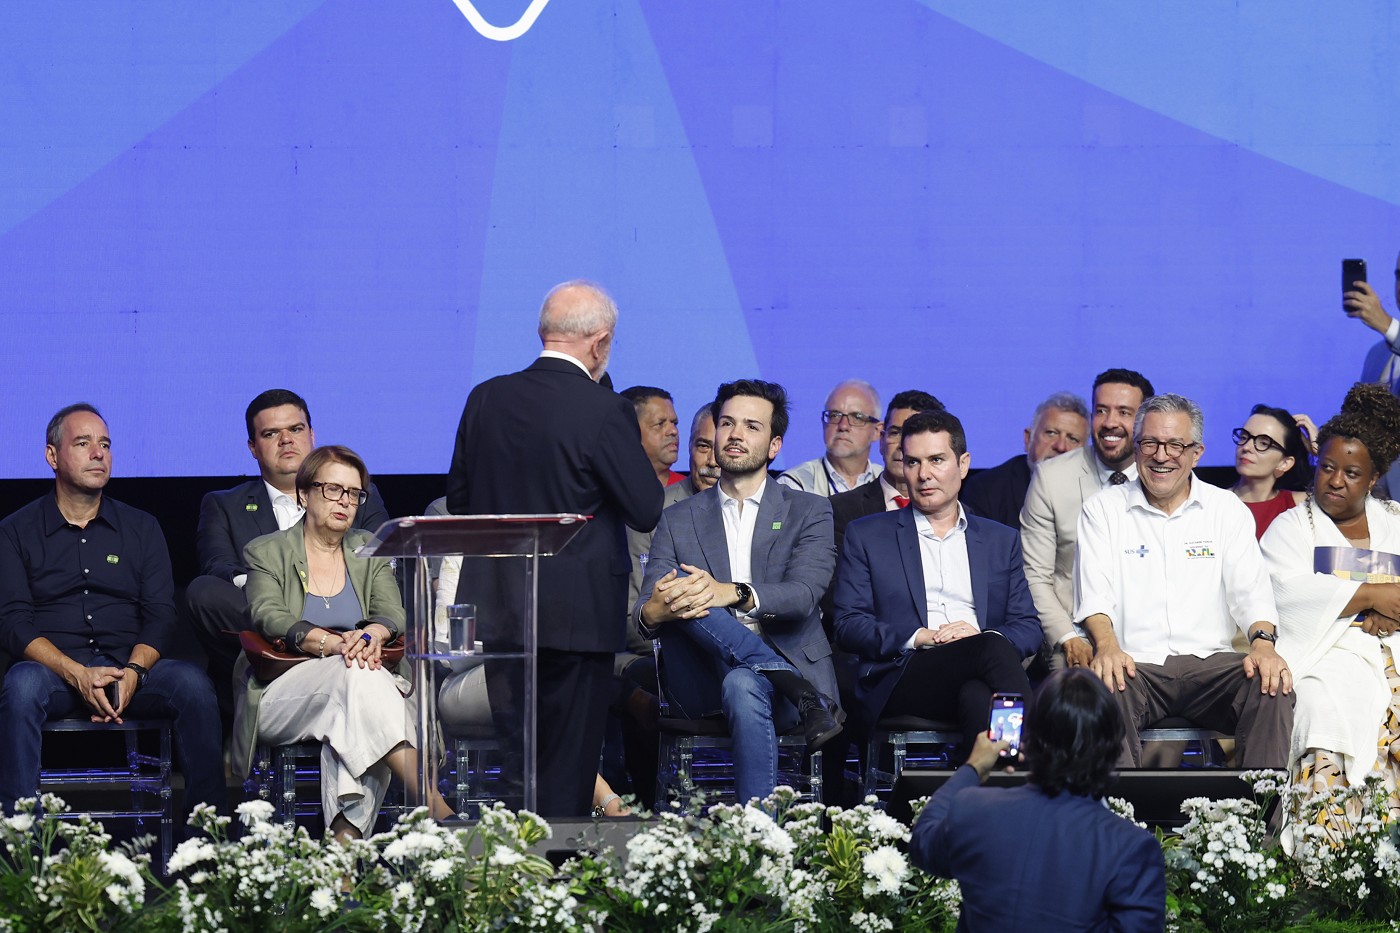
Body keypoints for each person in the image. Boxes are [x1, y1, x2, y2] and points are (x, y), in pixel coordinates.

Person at [446, 280, 662, 818]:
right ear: (600, 342)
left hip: (501, 611)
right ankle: (559, 864)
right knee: (567, 767)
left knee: (519, 761)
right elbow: (644, 507)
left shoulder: (485, 397)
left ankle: (517, 862)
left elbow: (460, 501)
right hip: (576, 618)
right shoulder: (604, 408)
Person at [0, 404, 224, 817]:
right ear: (52, 456)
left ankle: (209, 835)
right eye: (83, 443)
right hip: (55, 673)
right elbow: (13, 622)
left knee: (192, 685)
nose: (98, 453)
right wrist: (76, 673)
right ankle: (21, 841)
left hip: (130, 670)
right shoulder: (15, 530)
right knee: (21, 687)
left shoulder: (142, 527)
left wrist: (135, 671)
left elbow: (161, 614)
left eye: (104, 444)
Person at [635, 379, 842, 803]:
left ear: (774, 445)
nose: (735, 434)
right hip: (704, 676)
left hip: (789, 662)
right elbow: (645, 611)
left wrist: (730, 593)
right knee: (687, 589)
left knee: (743, 683)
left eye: (751, 426)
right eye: (727, 423)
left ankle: (756, 830)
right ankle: (795, 687)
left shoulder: (809, 511)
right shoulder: (678, 517)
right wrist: (657, 609)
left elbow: (803, 595)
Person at [234, 445, 452, 840]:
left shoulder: (368, 548)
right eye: (333, 489)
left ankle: (342, 855)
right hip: (284, 690)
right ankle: (436, 806)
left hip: (357, 685)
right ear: (304, 494)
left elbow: (393, 613)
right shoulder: (266, 550)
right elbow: (268, 614)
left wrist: (372, 634)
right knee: (357, 674)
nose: (345, 501)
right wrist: (331, 644)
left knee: (353, 707)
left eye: (354, 493)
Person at [1075, 393, 1294, 768]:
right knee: (1105, 686)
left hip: (1212, 667)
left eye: (1175, 445)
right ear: (1136, 448)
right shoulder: (1103, 509)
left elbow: (1251, 594)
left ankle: (1261, 806)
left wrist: (1263, 645)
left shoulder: (1226, 509)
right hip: (1135, 666)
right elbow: (1094, 596)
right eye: (1150, 443)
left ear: (1196, 453)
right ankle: (1119, 806)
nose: (1161, 456)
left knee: (1271, 683)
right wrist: (1107, 647)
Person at [832, 410, 1041, 760]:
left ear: (964, 464)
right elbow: (848, 626)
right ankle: (1040, 758)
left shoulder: (999, 539)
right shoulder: (868, 535)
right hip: (904, 675)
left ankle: (993, 782)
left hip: (979, 673)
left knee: (979, 696)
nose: (923, 474)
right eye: (913, 462)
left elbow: (1028, 628)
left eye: (936, 460)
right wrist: (920, 636)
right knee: (989, 647)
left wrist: (977, 636)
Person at [185, 389, 389, 723]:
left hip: (351, 622)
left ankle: (332, 645)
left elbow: (384, 559)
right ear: (253, 447)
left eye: (295, 429)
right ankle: (314, 642)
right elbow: (218, 566)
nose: (286, 440)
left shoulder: (355, 494)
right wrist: (277, 592)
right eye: (270, 434)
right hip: (273, 633)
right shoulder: (223, 505)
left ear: (312, 435)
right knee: (203, 591)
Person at [909, 669, 1166, 932]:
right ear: (1113, 747)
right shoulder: (1131, 848)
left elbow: (922, 842)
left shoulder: (974, 809)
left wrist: (972, 768)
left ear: (1030, 738)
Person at [1262, 383, 1400, 837]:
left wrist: (1386, 611)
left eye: (1352, 473)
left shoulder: (1395, 521)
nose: (1336, 481)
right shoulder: (1291, 527)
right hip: (1324, 656)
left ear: (1373, 479)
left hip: (1393, 651)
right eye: (1327, 468)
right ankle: (1329, 847)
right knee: (1322, 706)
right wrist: (1371, 596)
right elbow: (1286, 593)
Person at [1021, 368, 1154, 671]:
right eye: (1101, 410)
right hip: (1076, 635)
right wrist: (1067, 637)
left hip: (1149, 634)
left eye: (1124, 412)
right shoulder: (1051, 478)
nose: (1110, 422)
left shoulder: (1163, 476)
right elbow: (1035, 576)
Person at [829, 390, 945, 551]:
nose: (902, 446)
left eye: (914, 435)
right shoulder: (841, 510)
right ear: (882, 440)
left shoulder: (960, 516)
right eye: (895, 433)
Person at [961, 391, 1088, 528]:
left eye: (1073, 439)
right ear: (1028, 439)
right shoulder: (985, 489)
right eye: (1051, 433)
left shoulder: (1095, 493)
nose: (1061, 446)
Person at [1346, 250, 1400, 496]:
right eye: (1399, 275)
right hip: (1379, 492)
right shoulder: (1378, 353)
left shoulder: (1390, 334)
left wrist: (1388, 326)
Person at [778, 379, 883, 496]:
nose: (843, 426)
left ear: (877, 431)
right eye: (834, 415)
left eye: (857, 417)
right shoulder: (795, 484)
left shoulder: (889, 483)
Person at [1230, 403, 1314, 539]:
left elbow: (1349, 498)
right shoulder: (1214, 501)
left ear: (1285, 463)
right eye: (1244, 437)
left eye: (1264, 443)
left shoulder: (1300, 504)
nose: (1246, 447)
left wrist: (1320, 450)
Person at [620, 386, 684, 487]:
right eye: (660, 424)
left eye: (674, 423)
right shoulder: (606, 488)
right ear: (630, 431)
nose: (674, 431)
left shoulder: (691, 492)